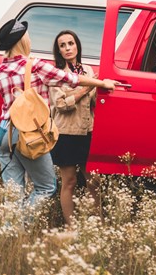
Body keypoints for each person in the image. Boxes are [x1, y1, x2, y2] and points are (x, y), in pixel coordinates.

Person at [0, 19, 117, 210]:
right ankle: (25, 222)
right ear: (22, 42)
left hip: (4, 133)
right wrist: (101, 83)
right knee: (46, 187)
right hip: (27, 132)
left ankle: (12, 233)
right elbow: (70, 79)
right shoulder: (34, 65)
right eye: (28, 38)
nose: (30, 41)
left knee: (13, 191)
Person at [49, 30, 100, 226]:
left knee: (94, 181)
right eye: (63, 45)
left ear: (77, 45)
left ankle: (97, 223)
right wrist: (87, 88)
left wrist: (103, 87)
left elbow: (95, 100)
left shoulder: (87, 70)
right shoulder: (57, 74)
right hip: (66, 134)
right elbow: (61, 105)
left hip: (88, 132)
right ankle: (72, 227)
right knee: (69, 182)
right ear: (59, 51)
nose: (68, 48)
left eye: (71, 43)